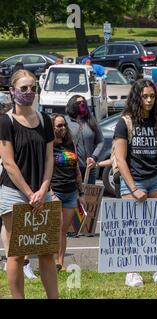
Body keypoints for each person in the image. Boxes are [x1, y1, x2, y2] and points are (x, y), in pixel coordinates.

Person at [0, 69, 58, 298]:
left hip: (42, 193)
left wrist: (43, 189)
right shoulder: (5, 121)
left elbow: (49, 157)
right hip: (14, 193)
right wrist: (29, 193)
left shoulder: (45, 120)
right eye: (23, 88)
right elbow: (8, 163)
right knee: (17, 254)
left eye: (32, 88)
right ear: (12, 91)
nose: (28, 92)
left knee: (46, 251)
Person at [114, 79, 157, 287]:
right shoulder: (125, 122)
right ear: (136, 97)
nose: (148, 100)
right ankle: (132, 270)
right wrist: (133, 188)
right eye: (144, 96)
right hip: (133, 179)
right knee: (133, 227)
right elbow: (120, 160)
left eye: (152, 96)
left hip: (156, 178)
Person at [50, 114, 86, 271]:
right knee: (55, 229)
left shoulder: (70, 145)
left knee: (63, 230)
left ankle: (60, 263)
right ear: (52, 128)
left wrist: (81, 193)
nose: (63, 128)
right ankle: (51, 263)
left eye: (64, 125)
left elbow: (77, 170)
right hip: (55, 191)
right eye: (58, 126)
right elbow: (44, 172)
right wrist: (50, 193)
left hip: (71, 192)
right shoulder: (48, 146)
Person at [65, 95, 104, 184]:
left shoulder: (91, 120)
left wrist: (94, 157)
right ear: (72, 105)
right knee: (75, 196)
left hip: (89, 169)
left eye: (84, 102)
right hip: (71, 169)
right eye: (78, 103)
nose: (82, 104)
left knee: (88, 197)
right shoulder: (65, 122)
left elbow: (100, 141)